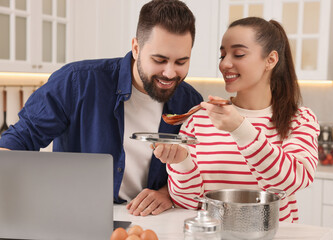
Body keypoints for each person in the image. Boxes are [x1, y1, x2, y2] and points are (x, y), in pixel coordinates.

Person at [0, 0, 203, 216]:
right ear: (136, 48)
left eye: (181, 62)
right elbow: (21, 138)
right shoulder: (77, 82)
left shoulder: (190, 102)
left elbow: (201, 169)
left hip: (155, 221)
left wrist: (167, 193)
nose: (170, 73)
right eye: (159, 60)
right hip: (78, 217)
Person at [153, 17, 320, 223]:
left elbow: (291, 181)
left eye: (238, 54)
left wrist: (241, 129)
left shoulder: (299, 119)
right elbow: (188, 203)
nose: (225, 64)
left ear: (271, 60)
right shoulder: (200, 119)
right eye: (222, 55)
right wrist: (181, 162)